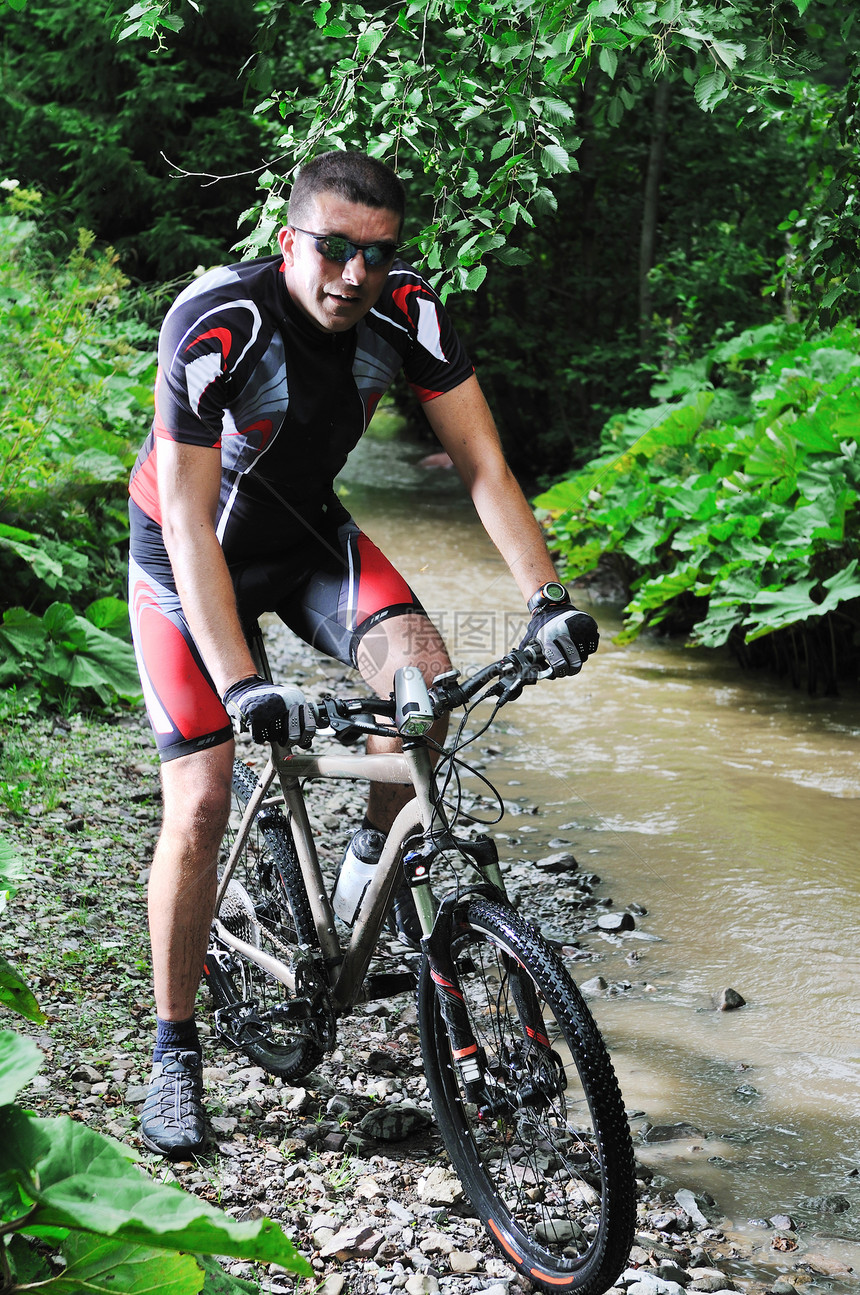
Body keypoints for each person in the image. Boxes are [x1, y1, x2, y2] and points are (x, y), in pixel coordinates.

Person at [127, 149, 599, 1159]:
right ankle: (172, 1050)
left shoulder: (406, 313)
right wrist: (245, 682)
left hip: (306, 543)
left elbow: (480, 464)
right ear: (289, 239)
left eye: (374, 254)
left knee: (419, 683)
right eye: (333, 248)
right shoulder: (219, 321)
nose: (352, 273)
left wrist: (545, 601)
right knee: (202, 797)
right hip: (182, 558)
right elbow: (186, 519)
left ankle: (358, 875)